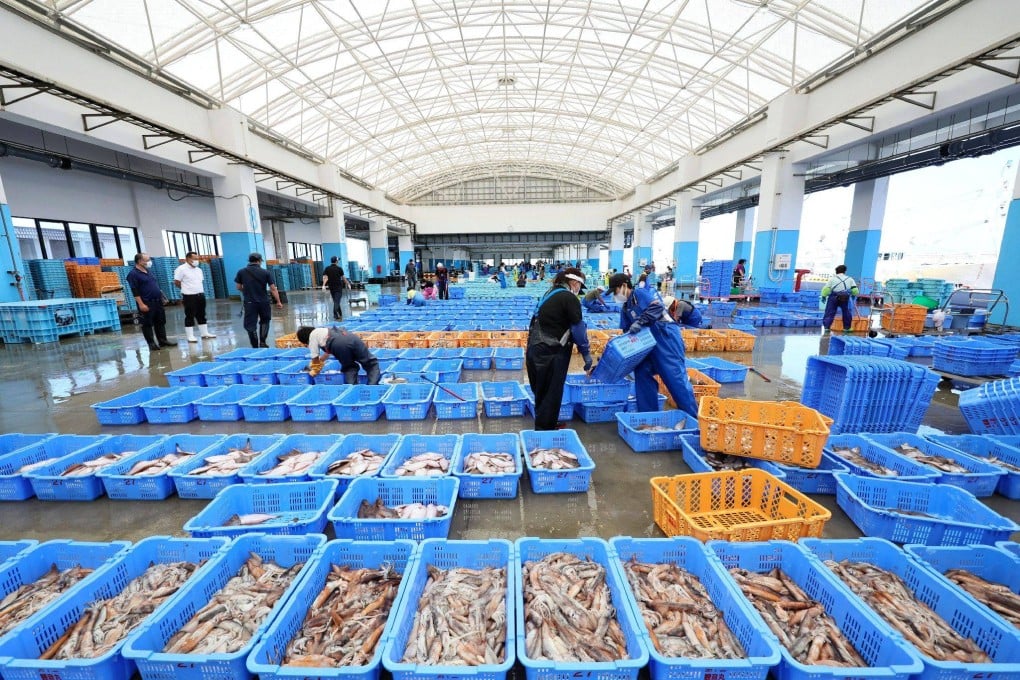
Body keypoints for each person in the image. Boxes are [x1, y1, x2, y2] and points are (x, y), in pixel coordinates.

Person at [609, 273, 698, 415]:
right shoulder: (626, 308)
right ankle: (648, 415)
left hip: (665, 340)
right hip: (646, 346)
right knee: (642, 371)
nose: (615, 295)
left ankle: (693, 418)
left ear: (624, 286)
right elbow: (626, 333)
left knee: (674, 378)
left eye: (615, 291)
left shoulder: (639, 294)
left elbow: (657, 307)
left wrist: (640, 321)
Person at [526, 267, 593, 430]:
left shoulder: (549, 293)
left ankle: (546, 422)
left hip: (535, 351)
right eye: (579, 286)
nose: (578, 290)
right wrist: (586, 354)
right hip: (552, 353)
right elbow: (578, 329)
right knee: (551, 393)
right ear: (574, 282)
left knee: (541, 391)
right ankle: (544, 434)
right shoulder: (569, 298)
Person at [296, 325, 380, 385]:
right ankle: (372, 387)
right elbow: (328, 352)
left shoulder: (312, 337)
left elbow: (315, 357)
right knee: (371, 364)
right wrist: (321, 360)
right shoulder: (322, 330)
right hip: (351, 338)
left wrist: (314, 371)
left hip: (340, 345)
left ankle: (351, 389)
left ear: (305, 338)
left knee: (350, 368)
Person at [235, 252, 283, 348]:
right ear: (259, 261)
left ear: (249, 261)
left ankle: (254, 345)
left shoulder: (241, 272)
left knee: (250, 324)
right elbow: (273, 288)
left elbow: (238, 287)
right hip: (264, 301)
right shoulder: (266, 272)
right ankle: (263, 342)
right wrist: (278, 301)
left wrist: (248, 290)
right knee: (265, 320)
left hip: (249, 302)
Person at [127, 252, 172, 351]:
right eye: (147, 260)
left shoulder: (148, 271)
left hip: (157, 301)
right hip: (146, 303)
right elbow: (135, 291)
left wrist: (162, 297)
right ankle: (151, 343)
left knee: (160, 322)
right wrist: (141, 304)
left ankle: (163, 341)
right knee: (147, 324)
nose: (149, 262)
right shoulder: (133, 274)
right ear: (139, 261)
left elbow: (154, 286)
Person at [173, 251, 215, 342]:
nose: (197, 260)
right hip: (189, 296)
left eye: (197, 259)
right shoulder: (181, 269)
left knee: (202, 314)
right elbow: (176, 282)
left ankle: (204, 333)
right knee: (190, 315)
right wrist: (185, 289)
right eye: (195, 259)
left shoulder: (198, 270)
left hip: (200, 294)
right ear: (188, 259)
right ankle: (190, 336)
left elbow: (200, 282)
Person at [822, 264, 860, 332]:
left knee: (829, 312)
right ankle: (847, 328)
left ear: (836, 271)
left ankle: (827, 327)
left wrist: (823, 296)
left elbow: (826, 289)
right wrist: (853, 295)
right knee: (847, 312)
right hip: (845, 297)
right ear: (845, 271)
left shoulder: (832, 279)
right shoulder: (850, 279)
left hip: (833, 297)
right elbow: (855, 290)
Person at [322, 256, 349, 321]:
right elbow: (343, 278)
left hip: (331, 287)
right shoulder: (339, 268)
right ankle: (335, 313)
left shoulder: (327, 268)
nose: (338, 261)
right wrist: (348, 283)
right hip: (338, 287)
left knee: (336, 301)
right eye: (338, 260)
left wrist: (323, 285)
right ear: (336, 261)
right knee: (337, 301)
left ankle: (339, 314)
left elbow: (325, 278)